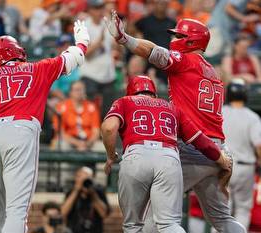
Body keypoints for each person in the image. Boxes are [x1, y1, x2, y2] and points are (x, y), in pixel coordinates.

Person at [104, 11, 246, 232]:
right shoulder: (213, 73)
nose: (173, 40)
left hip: (192, 145)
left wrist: (125, 39)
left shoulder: (186, 61)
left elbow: (153, 52)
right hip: (217, 148)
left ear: (191, 40)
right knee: (222, 219)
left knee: (155, 218)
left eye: (178, 36)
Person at [0, 20, 90, 233]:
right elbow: (75, 57)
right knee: (16, 211)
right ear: (17, 50)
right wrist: (82, 41)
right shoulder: (38, 68)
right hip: (21, 132)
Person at [101, 75, 232, 233]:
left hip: (136, 156)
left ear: (130, 92)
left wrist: (110, 156)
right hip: (169, 158)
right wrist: (220, 157)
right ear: (154, 93)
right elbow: (199, 139)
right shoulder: (172, 107)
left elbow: (109, 128)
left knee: (133, 225)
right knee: (169, 224)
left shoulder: (124, 101)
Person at [223, 80, 261, 229]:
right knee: (243, 210)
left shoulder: (221, 112)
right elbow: (259, 145)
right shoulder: (252, 117)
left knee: (221, 211)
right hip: (245, 168)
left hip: (223, 165)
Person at [79, 0, 116, 118]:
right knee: (89, 110)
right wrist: (98, 42)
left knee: (108, 112)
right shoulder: (84, 26)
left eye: (101, 7)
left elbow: (115, 46)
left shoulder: (107, 24)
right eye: (96, 8)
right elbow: (84, 53)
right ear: (89, 10)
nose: (99, 11)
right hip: (90, 75)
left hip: (108, 75)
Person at [52, 81, 101, 151]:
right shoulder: (61, 107)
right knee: (62, 145)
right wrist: (77, 143)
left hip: (88, 141)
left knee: (101, 147)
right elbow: (60, 132)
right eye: (77, 90)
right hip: (69, 140)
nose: (80, 92)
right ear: (70, 92)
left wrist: (87, 143)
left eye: (82, 89)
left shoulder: (92, 107)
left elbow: (96, 131)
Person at [61, 166, 110, 233]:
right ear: (76, 179)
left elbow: (103, 214)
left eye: (87, 178)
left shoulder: (98, 192)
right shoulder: (71, 192)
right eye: (80, 177)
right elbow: (63, 212)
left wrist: (93, 195)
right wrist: (76, 190)